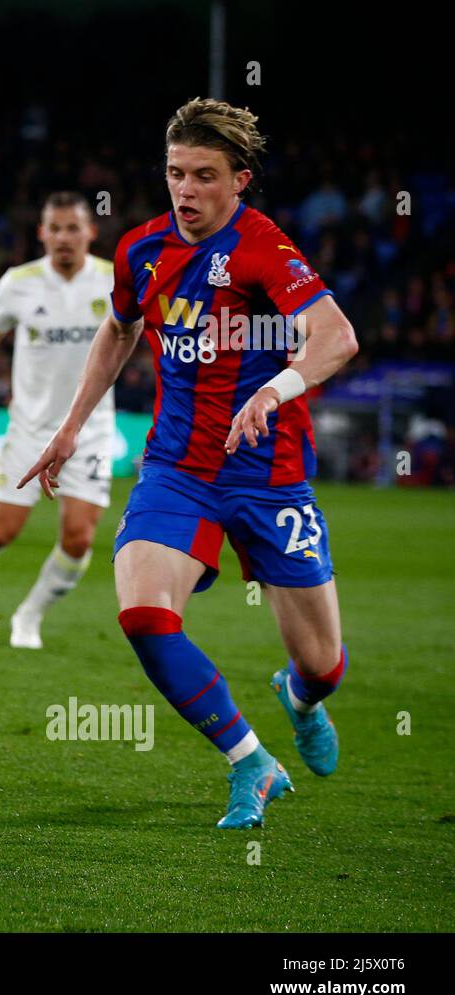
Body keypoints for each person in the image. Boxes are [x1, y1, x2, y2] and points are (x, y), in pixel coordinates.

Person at [21, 99, 358, 829]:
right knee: (144, 613)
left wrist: (276, 387)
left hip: (270, 477)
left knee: (323, 665)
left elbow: (336, 338)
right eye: (176, 173)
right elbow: (118, 328)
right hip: (178, 469)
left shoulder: (266, 249)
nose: (187, 190)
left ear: (239, 181)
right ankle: (250, 762)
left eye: (205, 176)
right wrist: (70, 427)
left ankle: (299, 699)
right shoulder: (143, 250)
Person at [0, 193, 114, 649]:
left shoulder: (115, 280)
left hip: (90, 430)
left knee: (78, 539)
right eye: (55, 228)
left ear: (90, 233)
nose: (64, 238)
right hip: (30, 428)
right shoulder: (20, 282)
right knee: (0, 533)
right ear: (42, 233)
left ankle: (29, 615)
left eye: (73, 228)